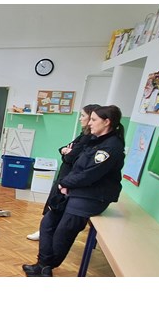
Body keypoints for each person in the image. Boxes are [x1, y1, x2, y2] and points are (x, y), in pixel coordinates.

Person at [23, 105, 126, 277]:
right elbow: (76, 165)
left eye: (94, 120)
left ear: (107, 122)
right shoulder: (94, 140)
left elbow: (89, 174)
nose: (89, 123)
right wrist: (65, 184)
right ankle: (43, 264)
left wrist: (64, 183)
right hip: (77, 190)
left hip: (92, 197)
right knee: (47, 223)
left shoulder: (110, 147)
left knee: (63, 233)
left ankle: (46, 267)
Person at [27, 103, 100, 241]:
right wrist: (66, 151)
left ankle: (47, 233)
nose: (80, 118)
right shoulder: (83, 134)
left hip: (69, 178)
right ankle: (44, 231)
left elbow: (70, 157)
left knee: (57, 205)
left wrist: (68, 152)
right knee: (53, 203)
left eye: (83, 116)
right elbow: (63, 149)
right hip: (64, 175)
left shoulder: (89, 138)